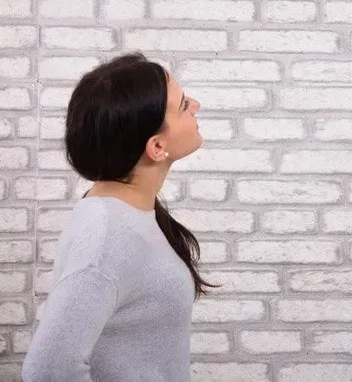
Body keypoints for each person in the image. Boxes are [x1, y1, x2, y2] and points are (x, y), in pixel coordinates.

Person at [22, 53, 212, 381]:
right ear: (156, 147)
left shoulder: (128, 211)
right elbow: (47, 371)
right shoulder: (109, 235)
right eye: (183, 105)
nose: (195, 105)